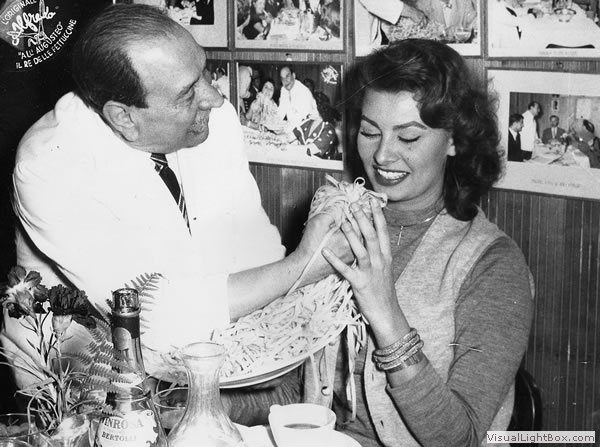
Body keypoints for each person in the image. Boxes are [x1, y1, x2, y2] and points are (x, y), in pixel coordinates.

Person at [4, 4, 350, 397]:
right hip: (88, 385)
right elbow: (152, 316)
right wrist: (303, 266)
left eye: (204, 71)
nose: (214, 97)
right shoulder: (50, 165)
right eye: (188, 93)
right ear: (123, 118)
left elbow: (255, 250)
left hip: (208, 361)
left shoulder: (213, 120)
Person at [314, 39, 534, 446]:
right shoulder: (340, 223)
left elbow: (461, 439)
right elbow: (295, 389)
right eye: (369, 131)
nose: (382, 155)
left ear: (454, 140)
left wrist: (386, 314)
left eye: (409, 138)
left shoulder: (494, 265)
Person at [354, 0, 429, 55]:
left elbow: (379, 9)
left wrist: (394, 33)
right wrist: (411, 12)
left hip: (367, 44)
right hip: (356, 48)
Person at [291, 91, 341, 159]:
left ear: (321, 109)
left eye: (312, 108)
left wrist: (288, 147)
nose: (308, 110)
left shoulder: (328, 130)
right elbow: (289, 136)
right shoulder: (308, 122)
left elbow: (309, 150)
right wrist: (279, 139)